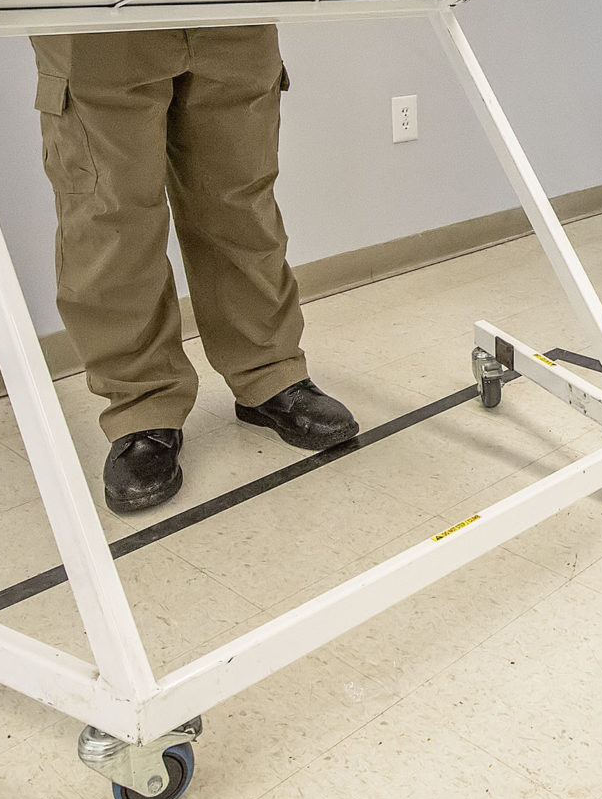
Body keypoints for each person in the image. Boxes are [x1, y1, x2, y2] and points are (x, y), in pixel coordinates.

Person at [32, 29, 360, 514]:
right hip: (96, 0)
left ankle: (268, 373)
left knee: (242, 203)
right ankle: (141, 407)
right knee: (111, 220)